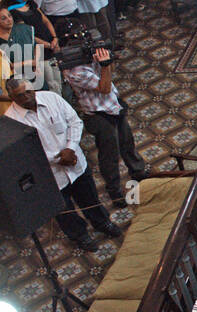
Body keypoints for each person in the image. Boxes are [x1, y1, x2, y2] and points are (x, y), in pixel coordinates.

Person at [4, 78, 122, 250]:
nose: (26, 97)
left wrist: (71, 148)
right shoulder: (11, 121)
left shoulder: (52, 98)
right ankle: (80, 236)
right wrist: (59, 158)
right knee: (64, 211)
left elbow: (74, 122)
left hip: (75, 162)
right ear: (12, 98)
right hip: (49, 175)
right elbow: (21, 153)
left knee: (89, 197)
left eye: (28, 92)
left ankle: (102, 223)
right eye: (20, 96)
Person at [63, 46, 147, 205]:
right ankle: (115, 191)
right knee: (110, 155)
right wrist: (105, 65)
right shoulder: (75, 72)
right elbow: (104, 87)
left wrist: (108, 60)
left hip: (112, 105)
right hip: (99, 115)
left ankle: (138, 171)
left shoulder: (89, 59)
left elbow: (110, 72)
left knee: (127, 142)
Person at [0, 4, 61, 94]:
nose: (9, 20)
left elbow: (36, 46)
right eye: (4, 18)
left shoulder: (23, 29)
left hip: (35, 73)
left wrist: (36, 61)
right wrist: (27, 63)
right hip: (17, 79)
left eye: (9, 16)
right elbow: (4, 65)